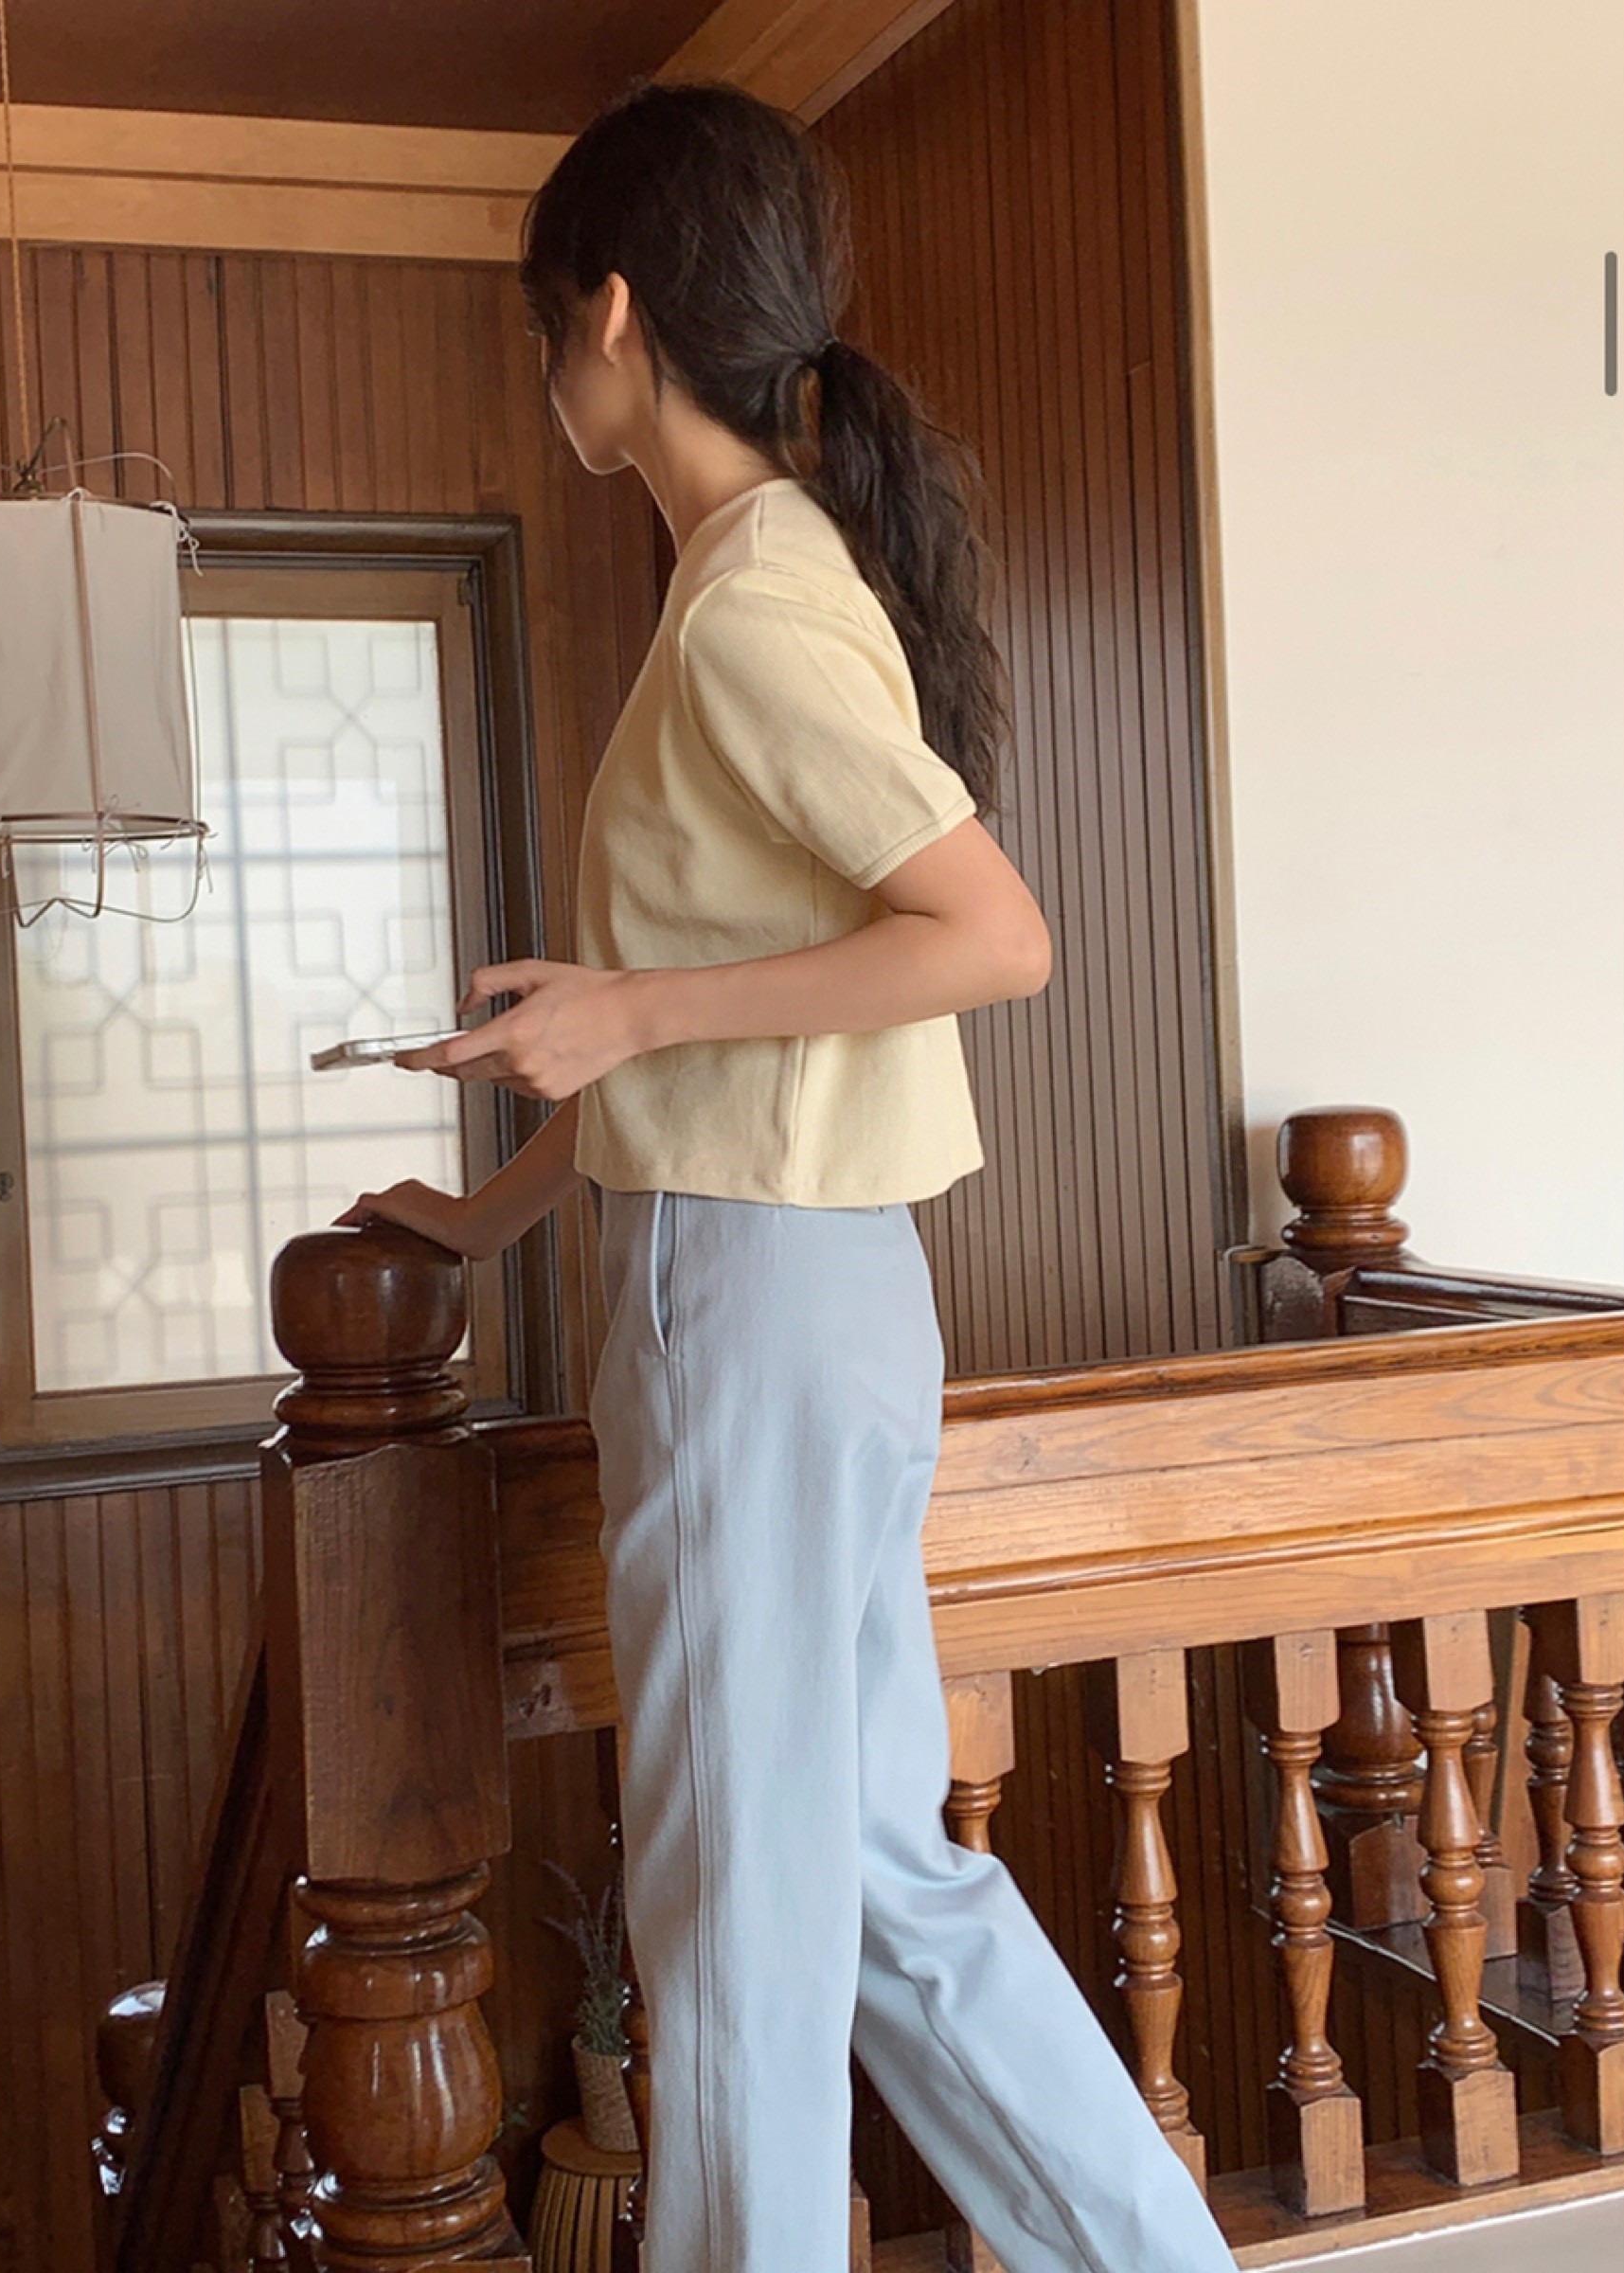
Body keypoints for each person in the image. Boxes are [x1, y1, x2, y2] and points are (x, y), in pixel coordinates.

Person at [340, 79, 1238, 2273]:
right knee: (863, 1873)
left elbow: (988, 937)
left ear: (610, 318)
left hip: (744, 1302)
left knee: (739, 1898)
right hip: (814, 1288)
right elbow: (719, 1019)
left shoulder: (747, 602)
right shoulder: (770, 579)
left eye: (543, 328)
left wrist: (628, 1015)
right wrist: (493, 1204)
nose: (546, 369)